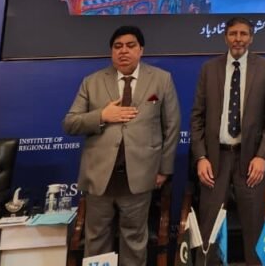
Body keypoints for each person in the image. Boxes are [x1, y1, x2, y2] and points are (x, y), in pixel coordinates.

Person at [63, 26, 181, 266]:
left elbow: (172, 126)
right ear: (111, 52)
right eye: (118, 46)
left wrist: (164, 169)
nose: (123, 51)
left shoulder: (161, 79)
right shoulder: (92, 82)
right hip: (99, 179)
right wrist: (102, 115)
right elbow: (70, 123)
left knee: (134, 241)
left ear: (141, 50)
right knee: (96, 241)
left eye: (130, 45)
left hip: (139, 177)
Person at [190, 17, 265, 265]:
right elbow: (196, 116)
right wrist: (201, 157)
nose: (238, 39)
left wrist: (262, 156)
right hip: (215, 159)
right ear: (225, 37)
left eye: (243, 34)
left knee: (254, 229)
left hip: (250, 160)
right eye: (233, 34)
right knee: (209, 230)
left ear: (251, 38)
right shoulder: (209, 69)